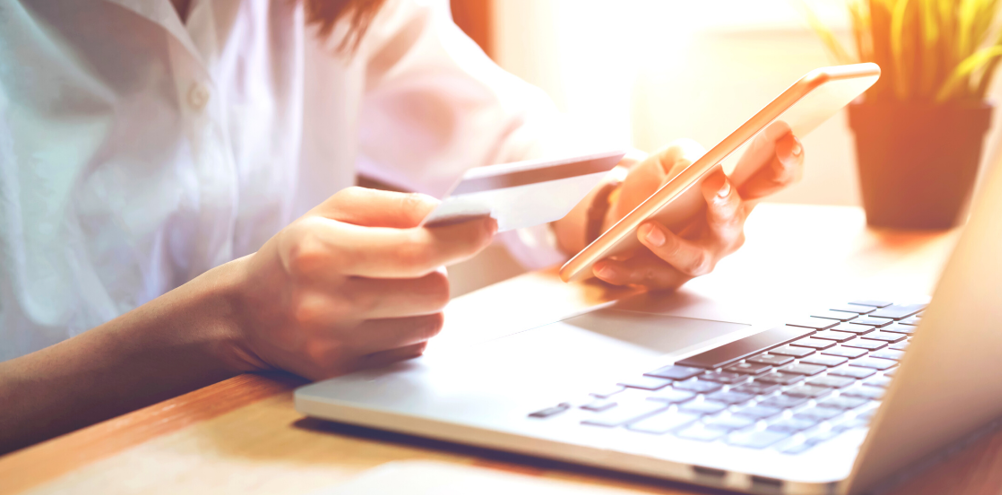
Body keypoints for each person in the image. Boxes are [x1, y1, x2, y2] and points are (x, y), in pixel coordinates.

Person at [0, 0, 803, 453]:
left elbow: (512, 147)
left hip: (271, 469)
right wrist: (227, 324)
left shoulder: (338, 11)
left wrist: (622, 211)